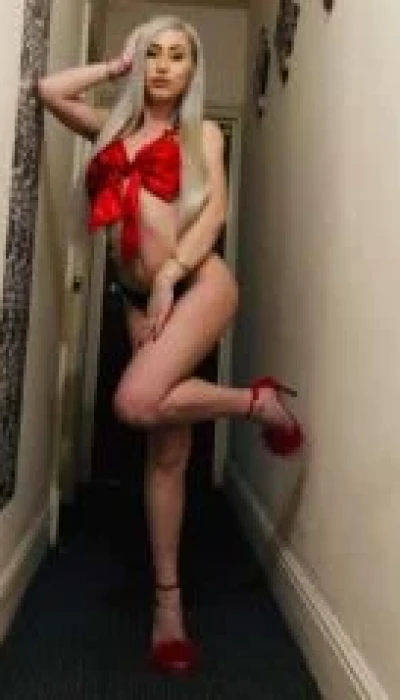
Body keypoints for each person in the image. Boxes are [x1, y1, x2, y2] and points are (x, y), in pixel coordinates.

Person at [38, 15, 304, 675]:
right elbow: (48, 90)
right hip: (136, 300)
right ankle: (168, 606)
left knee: (133, 402)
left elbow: (214, 213)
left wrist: (168, 275)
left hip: (197, 284)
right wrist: (113, 67)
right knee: (168, 450)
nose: (161, 65)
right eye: (151, 53)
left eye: (175, 55)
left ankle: (253, 403)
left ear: (193, 69)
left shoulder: (204, 133)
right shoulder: (112, 129)